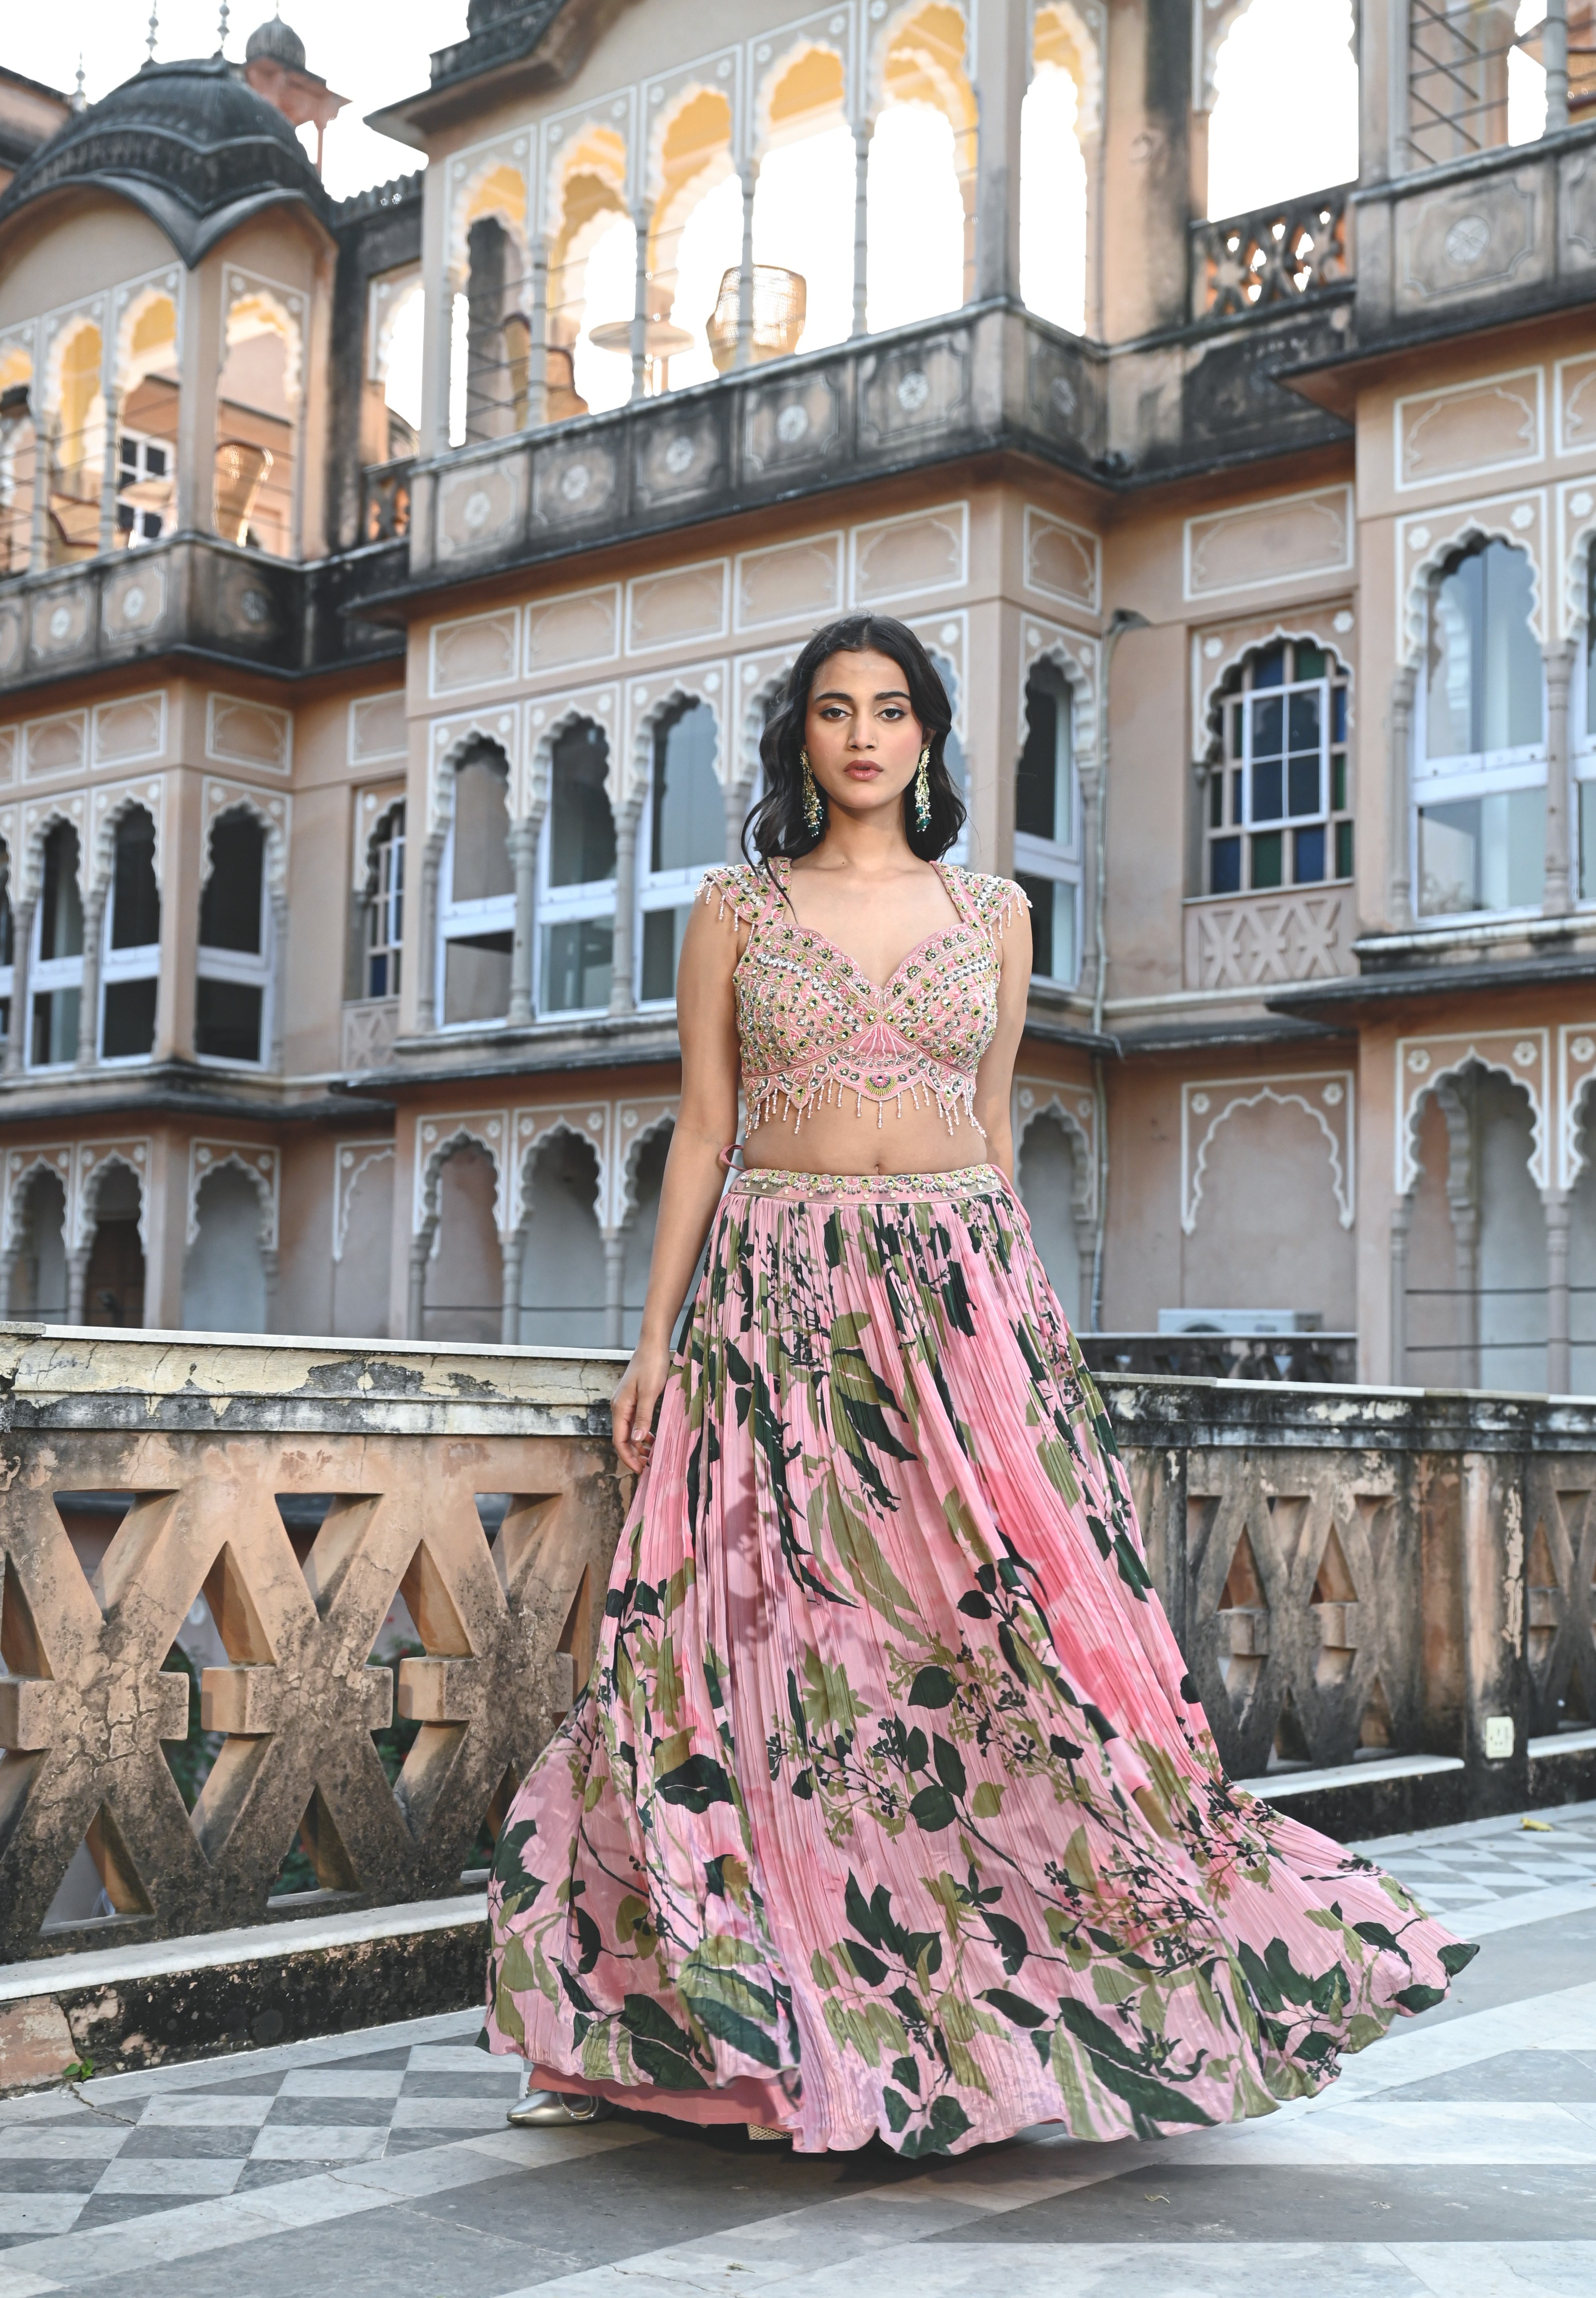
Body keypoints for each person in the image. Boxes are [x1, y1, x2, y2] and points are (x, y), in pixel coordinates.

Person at [482, 613, 1474, 2156]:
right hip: (780, 1296)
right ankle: (749, 2016)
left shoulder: (997, 912)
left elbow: (996, 1127)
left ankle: (1023, 2006)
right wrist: (656, 1336)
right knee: (768, 1645)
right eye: (834, 711)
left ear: (931, 737)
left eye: (891, 710)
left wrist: (1022, 1345)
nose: (863, 736)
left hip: (961, 1298)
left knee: (1001, 1639)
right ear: (801, 739)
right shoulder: (736, 908)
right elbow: (704, 1128)